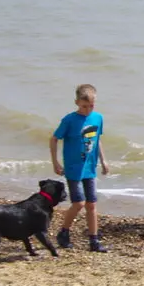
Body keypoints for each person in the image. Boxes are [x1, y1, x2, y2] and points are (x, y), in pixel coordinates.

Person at [50, 83, 110, 252]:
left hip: (90, 167)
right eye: (84, 106)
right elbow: (54, 139)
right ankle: (63, 232)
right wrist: (55, 162)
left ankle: (94, 240)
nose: (88, 110)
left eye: (91, 106)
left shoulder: (98, 118)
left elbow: (97, 140)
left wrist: (104, 161)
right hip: (74, 168)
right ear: (77, 102)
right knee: (79, 203)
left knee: (91, 204)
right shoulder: (69, 120)